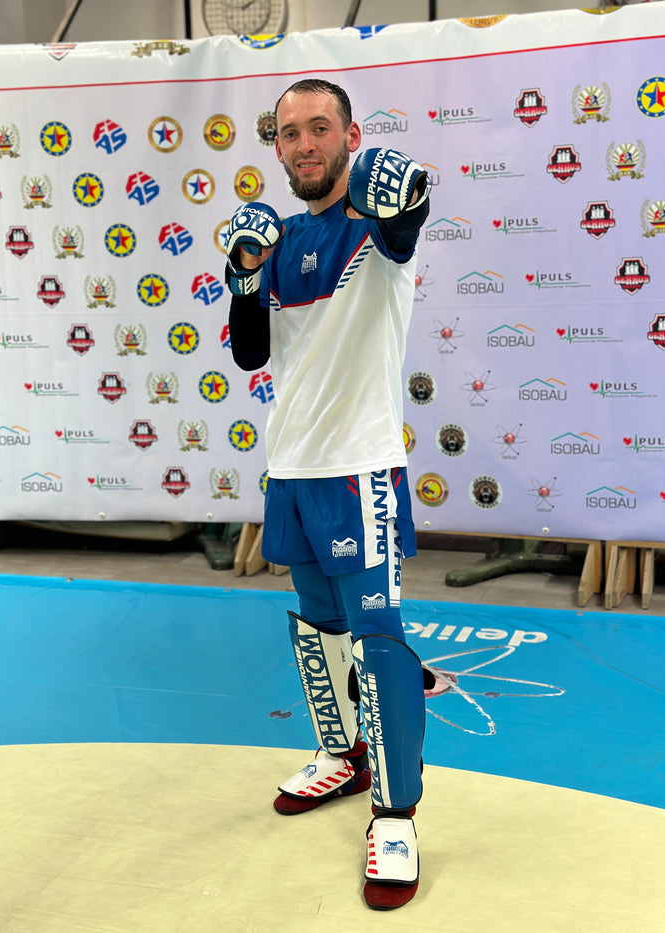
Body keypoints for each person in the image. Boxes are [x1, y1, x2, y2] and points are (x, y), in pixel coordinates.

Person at [225, 78, 432, 911]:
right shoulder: (277, 239)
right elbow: (250, 354)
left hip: (360, 468)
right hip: (293, 466)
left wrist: (409, 194)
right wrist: (243, 274)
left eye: (320, 127)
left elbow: (405, 220)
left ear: (350, 135)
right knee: (319, 626)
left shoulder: (375, 227)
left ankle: (396, 815)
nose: (305, 144)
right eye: (290, 133)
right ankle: (343, 758)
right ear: (276, 147)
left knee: (378, 638)